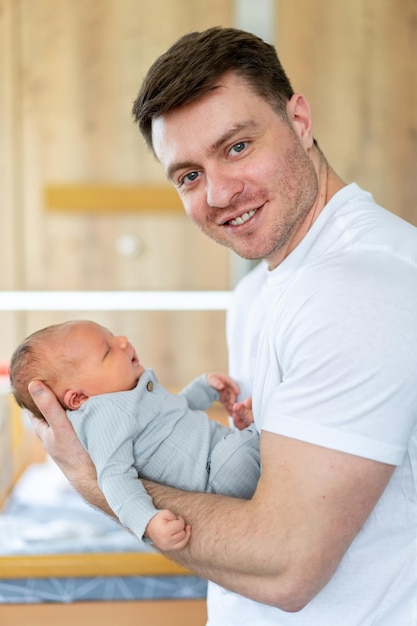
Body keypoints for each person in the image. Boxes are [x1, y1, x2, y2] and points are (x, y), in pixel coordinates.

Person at [27, 26, 417, 625]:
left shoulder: (363, 284)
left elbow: (288, 565)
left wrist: (98, 482)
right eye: (187, 175)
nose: (219, 192)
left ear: (300, 120)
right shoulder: (259, 291)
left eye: (237, 147)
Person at [10, 319, 259, 551]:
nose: (123, 341)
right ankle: (256, 433)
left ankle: (255, 435)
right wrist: (147, 523)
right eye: (107, 351)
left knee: (250, 445)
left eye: (113, 336)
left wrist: (204, 390)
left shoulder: (133, 391)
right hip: (216, 476)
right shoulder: (103, 419)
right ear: (79, 398)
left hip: (219, 455)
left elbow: (173, 413)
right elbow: (114, 478)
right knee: (251, 445)